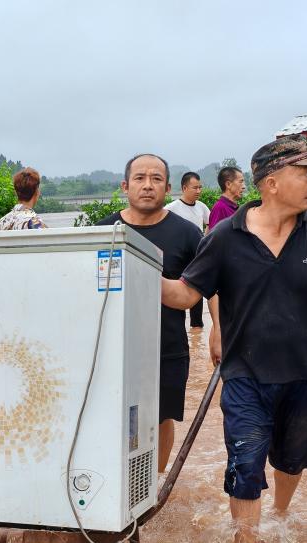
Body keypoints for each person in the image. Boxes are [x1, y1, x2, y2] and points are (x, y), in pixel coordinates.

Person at [161, 135, 307, 543]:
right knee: (245, 465)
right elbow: (186, 295)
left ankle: (279, 515)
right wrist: (136, 267)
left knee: (292, 461)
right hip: (245, 376)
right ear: (271, 183)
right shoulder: (225, 236)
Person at [97, 153, 203, 473]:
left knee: (161, 416)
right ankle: (118, 480)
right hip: (111, 346)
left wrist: (221, 335)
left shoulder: (187, 234)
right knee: (111, 414)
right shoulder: (104, 231)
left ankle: (153, 484)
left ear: (168, 187)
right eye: (140, 179)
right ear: (125, 186)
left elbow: (209, 288)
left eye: (156, 179)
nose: (147, 186)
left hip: (167, 346)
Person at [165, 171, 210, 327]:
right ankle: (176, 325)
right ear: (184, 188)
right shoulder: (171, 208)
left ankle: (196, 329)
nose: (198, 191)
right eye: (194, 188)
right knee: (176, 291)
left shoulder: (202, 207)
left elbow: (210, 224)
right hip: (177, 256)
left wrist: (204, 240)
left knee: (195, 290)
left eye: (200, 188)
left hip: (196, 255)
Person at [208, 165, 245, 229]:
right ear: (228, 184)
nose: (244, 187)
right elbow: (214, 237)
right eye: (240, 182)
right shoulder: (220, 208)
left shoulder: (234, 207)